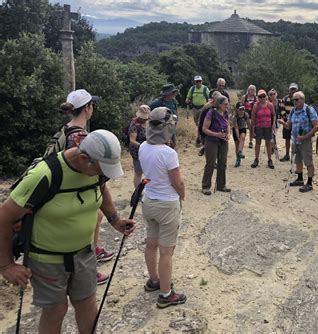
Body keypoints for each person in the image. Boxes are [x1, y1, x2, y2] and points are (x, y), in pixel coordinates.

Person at [0, 129, 136, 334]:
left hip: (83, 254)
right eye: (101, 169)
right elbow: (4, 217)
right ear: (83, 158)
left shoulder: (95, 174)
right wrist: (6, 265)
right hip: (47, 260)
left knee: (87, 304)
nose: (104, 175)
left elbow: (101, 190)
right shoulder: (44, 175)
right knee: (56, 310)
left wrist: (115, 220)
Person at [60, 89, 114, 285]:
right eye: (92, 105)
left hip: (66, 190)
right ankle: (88, 268)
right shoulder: (81, 137)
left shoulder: (65, 129)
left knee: (97, 217)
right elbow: (90, 171)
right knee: (88, 223)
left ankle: (95, 251)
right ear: (88, 108)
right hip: (77, 192)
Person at [139, 107, 187, 308]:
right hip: (167, 204)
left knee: (151, 244)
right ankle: (166, 294)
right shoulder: (168, 153)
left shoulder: (143, 147)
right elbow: (177, 183)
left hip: (149, 201)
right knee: (167, 252)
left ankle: (155, 280)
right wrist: (182, 195)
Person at [278, 91, 318, 192]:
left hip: (306, 141)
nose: (294, 102)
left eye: (296, 100)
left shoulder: (309, 110)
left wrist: (305, 137)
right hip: (295, 140)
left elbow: (316, 127)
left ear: (302, 99)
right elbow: (289, 126)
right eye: (293, 100)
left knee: (308, 162)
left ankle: (309, 183)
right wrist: (283, 123)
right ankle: (300, 179)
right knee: (298, 160)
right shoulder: (293, 111)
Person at [201, 95, 231, 195]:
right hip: (211, 141)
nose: (227, 106)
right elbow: (204, 129)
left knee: (223, 163)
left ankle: (221, 185)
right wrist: (216, 134)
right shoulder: (211, 113)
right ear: (219, 104)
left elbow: (228, 125)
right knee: (211, 163)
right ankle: (206, 186)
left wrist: (228, 134)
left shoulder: (225, 113)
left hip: (223, 140)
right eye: (225, 104)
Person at [250, 90, 276, 169]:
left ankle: (269, 160)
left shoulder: (270, 105)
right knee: (258, 143)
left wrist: (274, 123)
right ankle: (256, 159)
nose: (262, 98)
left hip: (268, 126)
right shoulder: (256, 106)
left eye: (263, 96)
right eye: (260, 96)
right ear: (258, 97)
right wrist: (252, 129)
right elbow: (253, 117)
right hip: (259, 126)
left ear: (266, 96)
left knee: (268, 143)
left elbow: (274, 115)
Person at [149, 84, 179, 148]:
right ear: (168, 93)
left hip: (172, 127)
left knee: (173, 146)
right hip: (162, 130)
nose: (174, 94)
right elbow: (148, 110)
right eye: (173, 92)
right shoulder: (157, 103)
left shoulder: (173, 101)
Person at [128, 105, 150, 188]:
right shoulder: (134, 124)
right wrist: (143, 146)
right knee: (138, 172)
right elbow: (132, 140)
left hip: (148, 150)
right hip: (137, 151)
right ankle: (138, 192)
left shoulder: (149, 122)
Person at [186, 75, 210, 146]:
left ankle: (199, 139)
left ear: (202, 81)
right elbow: (188, 97)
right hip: (195, 108)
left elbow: (209, 98)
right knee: (197, 124)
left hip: (203, 108)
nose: (198, 82)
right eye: (197, 81)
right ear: (195, 82)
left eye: (199, 81)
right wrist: (187, 100)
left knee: (200, 123)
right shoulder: (192, 89)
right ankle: (201, 137)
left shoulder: (205, 89)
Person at [197, 91, 222, 156]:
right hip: (206, 130)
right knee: (209, 150)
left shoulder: (220, 106)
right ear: (213, 98)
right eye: (217, 98)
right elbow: (200, 120)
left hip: (215, 130)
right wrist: (198, 135)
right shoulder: (207, 107)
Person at [279, 83, 298, 161]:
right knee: (287, 138)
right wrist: (286, 119)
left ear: (297, 90)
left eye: (294, 89)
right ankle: (287, 154)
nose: (293, 91)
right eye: (291, 89)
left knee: (296, 138)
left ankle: (296, 155)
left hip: (297, 122)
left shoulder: (298, 99)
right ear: (289, 90)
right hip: (287, 121)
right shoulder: (285, 98)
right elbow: (282, 109)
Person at [232, 102, 250, 167]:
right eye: (240, 109)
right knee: (237, 144)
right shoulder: (234, 117)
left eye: (243, 109)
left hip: (242, 128)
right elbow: (236, 128)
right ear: (237, 109)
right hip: (236, 130)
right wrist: (237, 136)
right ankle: (238, 159)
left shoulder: (246, 115)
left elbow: (248, 123)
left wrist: (251, 131)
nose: (242, 111)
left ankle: (240, 152)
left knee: (242, 138)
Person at [241, 84, 257, 149]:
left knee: (251, 128)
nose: (252, 91)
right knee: (242, 127)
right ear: (248, 90)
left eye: (253, 89)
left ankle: (250, 141)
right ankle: (242, 139)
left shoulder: (256, 98)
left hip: (252, 115)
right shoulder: (244, 97)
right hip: (244, 114)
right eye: (250, 89)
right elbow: (241, 105)